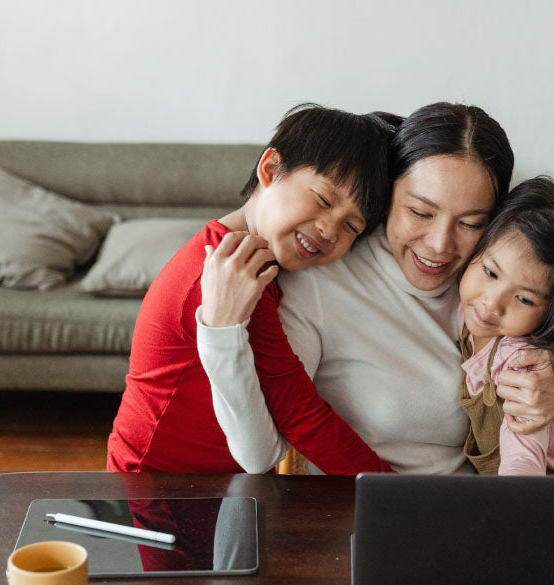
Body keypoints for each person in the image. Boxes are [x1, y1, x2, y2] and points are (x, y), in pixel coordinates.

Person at [198, 102, 554, 474]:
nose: (439, 246)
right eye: (419, 212)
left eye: (471, 223)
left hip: (475, 516)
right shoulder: (320, 282)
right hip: (366, 523)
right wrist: (220, 333)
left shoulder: (486, 282)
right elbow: (261, 452)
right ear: (386, 197)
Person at [107, 104, 398, 474]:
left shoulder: (262, 262)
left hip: (209, 487)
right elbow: (299, 417)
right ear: (270, 169)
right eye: (323, 200)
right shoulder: (229, 272)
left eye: (351, 227)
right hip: (154, 490)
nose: (329, 229)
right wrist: (394, 496)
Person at [456, 176, 554, 476]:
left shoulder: (523, 360)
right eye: (491, 272)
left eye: (524, 299)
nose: (491, 304)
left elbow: (524, 459)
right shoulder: (464, 312)